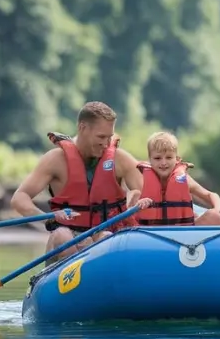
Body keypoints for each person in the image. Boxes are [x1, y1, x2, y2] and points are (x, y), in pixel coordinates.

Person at [9, 101, 145, 263]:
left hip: (104, 238)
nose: (106, 144)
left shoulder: (120, 160)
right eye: (101, 137)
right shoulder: (55, 160)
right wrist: (49, 219)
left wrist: (135, 195)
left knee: (107, 238)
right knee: (62, 235)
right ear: (82, 128)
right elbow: (19, 198)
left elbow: (149, 195)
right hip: (66, 241)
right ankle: (69, 276)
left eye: (109, 137)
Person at [128, 131, 220, 226]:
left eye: (169, 158)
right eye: (158, 158)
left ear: (177, 159)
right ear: (149, 159)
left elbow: (210, 195)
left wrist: (218, 209)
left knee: (214, 216)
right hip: (152, 233)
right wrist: (138, 204)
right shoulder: (143, 179)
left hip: (183, 232)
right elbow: (131, 197)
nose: (163, 163)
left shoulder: (183, 179)